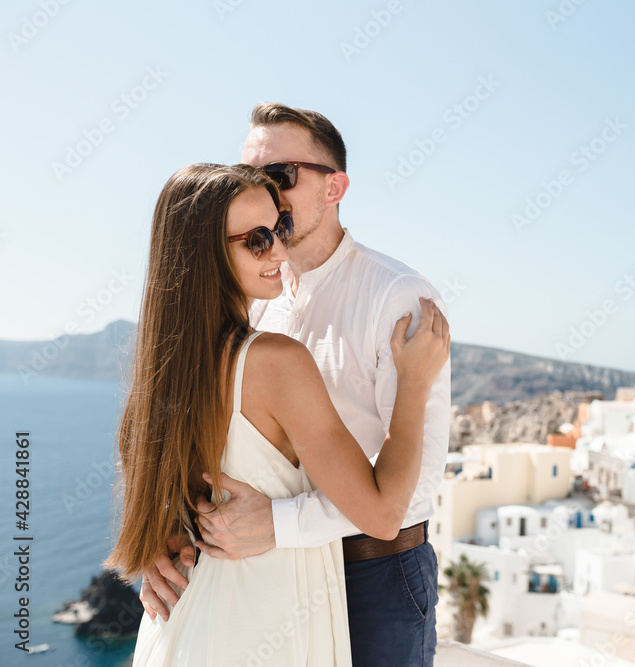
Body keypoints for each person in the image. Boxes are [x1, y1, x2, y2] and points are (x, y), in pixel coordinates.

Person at [139, 104, 452, 666]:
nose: (267, 190)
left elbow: (417, 483)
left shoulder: (397, 296)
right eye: (254, 175)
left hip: (374, 571)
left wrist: (279, 525)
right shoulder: (253, 297)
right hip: (260, 573)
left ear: (336, 187)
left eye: (281, 174)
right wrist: (167, 535)